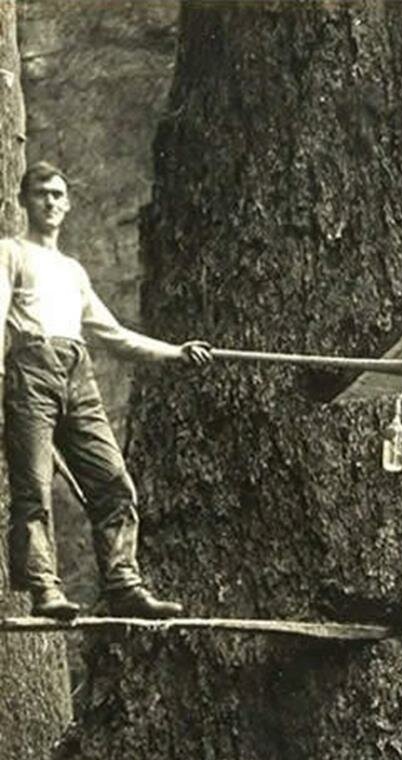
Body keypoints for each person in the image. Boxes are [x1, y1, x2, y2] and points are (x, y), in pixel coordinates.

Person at [0, 161, 213, 621]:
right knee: (34, 488)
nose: (51, 202)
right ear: (23, 201)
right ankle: (44, 589)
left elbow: (113, 334)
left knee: (113, 480)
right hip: (29, 370)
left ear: (68, 203)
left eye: (58, 194)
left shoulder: (73, 271)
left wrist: (176, 352)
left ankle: (123, 584)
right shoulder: (10, 252)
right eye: (41, 194)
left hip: (78, 373)